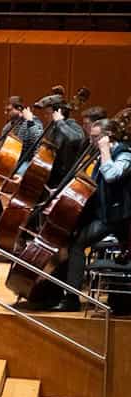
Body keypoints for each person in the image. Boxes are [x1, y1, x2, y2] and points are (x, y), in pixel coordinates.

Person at [59, 120, 131, 311]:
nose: (91, 141)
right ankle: (68, 294)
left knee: (78, 245)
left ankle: (74, 298)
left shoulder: (125, 154)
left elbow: (111, 176)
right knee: (75, 241)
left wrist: (105, 151)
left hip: (119, 217)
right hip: (104, 214)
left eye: (95, 137)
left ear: (108, 136)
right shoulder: (101, 154)